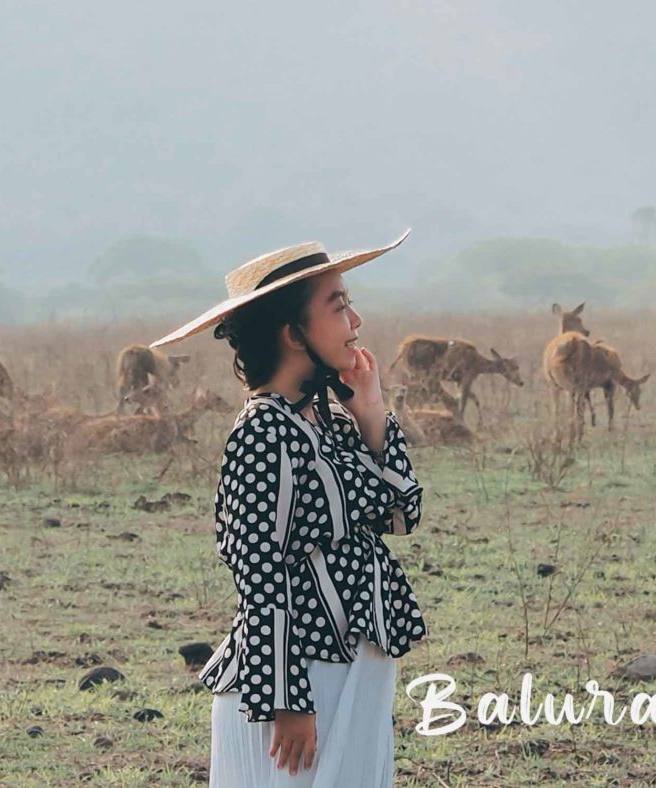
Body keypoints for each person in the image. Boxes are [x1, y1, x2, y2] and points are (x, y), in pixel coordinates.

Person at [150, 231, 426, 786]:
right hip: (301, 685)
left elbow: (401, 516)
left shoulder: (322, 422)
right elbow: (259, 571)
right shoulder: (263, 434)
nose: (356, 322)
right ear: (293, 334)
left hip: (349, 671)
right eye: (339, 306)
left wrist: (370, 410)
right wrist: (287, 700)